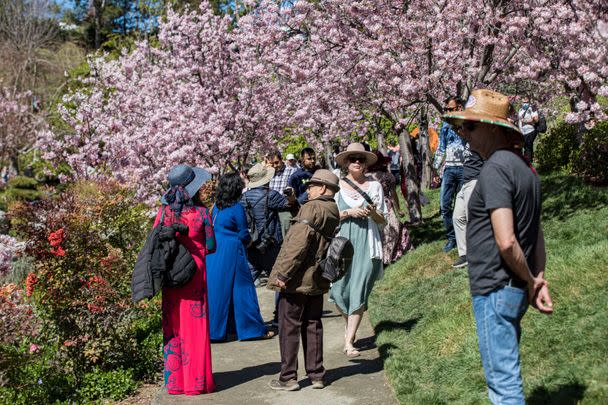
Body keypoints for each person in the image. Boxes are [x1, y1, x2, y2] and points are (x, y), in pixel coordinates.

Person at [444, 89, 553, 404]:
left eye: (471, 126)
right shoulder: (526, 169)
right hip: (513, 287)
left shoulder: (494, 169)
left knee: (503, 386)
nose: (464, 132)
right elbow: (536, 232)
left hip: (495, 288)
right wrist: (538, 277)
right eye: (463, 126)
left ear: (494, 126)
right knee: (507, 376)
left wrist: (534, 280)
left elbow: (507, 241)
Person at [266, 170, 341, 391]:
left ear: (324, 189)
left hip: (297, 279)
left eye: (313, 185)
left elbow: (297, 245)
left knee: (289, 327)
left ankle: (288, 377)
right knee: (313, 325)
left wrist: (283, 274)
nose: (308, 189)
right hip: (317, 278)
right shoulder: (332, 209)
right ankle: (317, 374)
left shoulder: (312, 207)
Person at [156, 164, 216, 395]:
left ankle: (176, 382)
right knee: (196, 325)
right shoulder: (202, 213)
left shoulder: (163, 213)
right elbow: (211, 246)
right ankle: (196, 382)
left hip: (171, 273)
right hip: (195, 272)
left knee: (175, 325)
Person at [329, 143, 388, 358]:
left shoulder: (375, 187)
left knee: (359, 288)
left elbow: (383, 220)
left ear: (365, 164)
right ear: (345, 162)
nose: (357, 162)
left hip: (366, 241)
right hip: (342, 241)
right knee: (339, 290)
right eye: (353, 158)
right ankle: (349, 330)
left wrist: (373, 214)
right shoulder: (337, 186)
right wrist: (349, 212)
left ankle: (349, 340)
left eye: (361, 159)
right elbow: (331, 216)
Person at [206, 173, 275, 341]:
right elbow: (244, 234)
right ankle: (251, 330)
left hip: (214, 252)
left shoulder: (215, 207)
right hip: (232, 250)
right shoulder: (236, 208)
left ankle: (216, 331)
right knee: (243, 290)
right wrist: (252, 244)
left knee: (217, 291)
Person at [241, 163, 288, 286]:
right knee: (278, 280)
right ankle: (280, 305)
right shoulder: (271, 195)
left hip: (252, 245)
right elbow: (289, 204)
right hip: (271, 244)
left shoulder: (244, 197)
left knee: (246, 281)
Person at [367, 150, 413, 264]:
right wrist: (398, 209)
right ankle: (390, 254)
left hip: (372, 206)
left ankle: (382, 256)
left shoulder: (366, 177)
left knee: (379, 231)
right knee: (392, 228)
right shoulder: (388, 176)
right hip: (386, 204)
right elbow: (393, 194)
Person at [434, 96, 467, 252]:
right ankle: (451, 238)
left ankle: (465, 237)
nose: (447, 112)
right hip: (449, 169)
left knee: (464, 206)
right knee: (445, 206)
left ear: (459, 108)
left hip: (465, 168)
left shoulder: (468, 122)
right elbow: (441, 147)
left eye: (450, 109)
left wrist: (460, 130)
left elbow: (473, 143)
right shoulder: (445, 126)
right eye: (446, 109)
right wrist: (436, 168)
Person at [451, 146, 484, 268]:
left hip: (475, 181)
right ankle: (465, 254)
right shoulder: (467, 141)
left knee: (473, 218)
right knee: (457, 217)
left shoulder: (481, 141)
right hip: (464, 184)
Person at [267, 150, 298, 238]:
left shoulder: (292, 171)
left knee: (287, 236)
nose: (275, 166)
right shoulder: (269, 173)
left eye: (276, 163)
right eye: (272, 164)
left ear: (282, 160)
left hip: (285, 209)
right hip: (272, 210)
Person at [517, 97, 539, 163]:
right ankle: (524, 162)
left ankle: (529, 163)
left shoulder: (532, 109)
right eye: (524, 102)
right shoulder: (520, 110)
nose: (525, 103)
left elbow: (536, 119)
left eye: (526, 102)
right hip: (522, 132)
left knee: (528, 147)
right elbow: (519, 119)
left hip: (530, 131)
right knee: (523, 147)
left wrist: (526, 121)